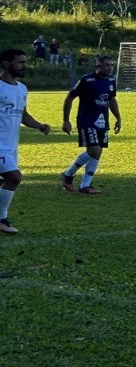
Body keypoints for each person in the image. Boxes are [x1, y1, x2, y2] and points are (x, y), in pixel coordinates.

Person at [0, 49, 53, 235]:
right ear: (6, 64)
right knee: (14, 178)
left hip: (11, 146)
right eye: (20, 62)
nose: (24, 65)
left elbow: (23, 115)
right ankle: (2, 218)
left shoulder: (22, 89)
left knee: (4, 181)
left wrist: (39, 126)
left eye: (25, 62)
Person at [58, 55, 122, 195]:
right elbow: (69, 98)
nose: (110, 68)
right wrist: (66, 120)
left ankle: (83, 184)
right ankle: (69, 176)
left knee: (97, 153)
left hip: (102, 121)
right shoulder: (86, 80)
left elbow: (111, 99)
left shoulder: (111, 80)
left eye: (111, 65)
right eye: (107, 65)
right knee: (93, 150)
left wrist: (118, 118)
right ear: (98, 66)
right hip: (86, 120)